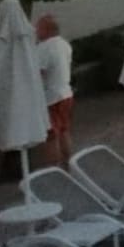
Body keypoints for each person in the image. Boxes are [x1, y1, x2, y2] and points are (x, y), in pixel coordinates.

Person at [34, 15, 74, 165]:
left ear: (47, 30)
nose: (36, 32)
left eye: (38, 28)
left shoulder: (44, 48)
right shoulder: (64, 44)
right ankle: (68, 164)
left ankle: (55, 167)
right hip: (66, 94)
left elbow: (39, 73)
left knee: (51, 136)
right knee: (64, 130)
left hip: (51, 97)